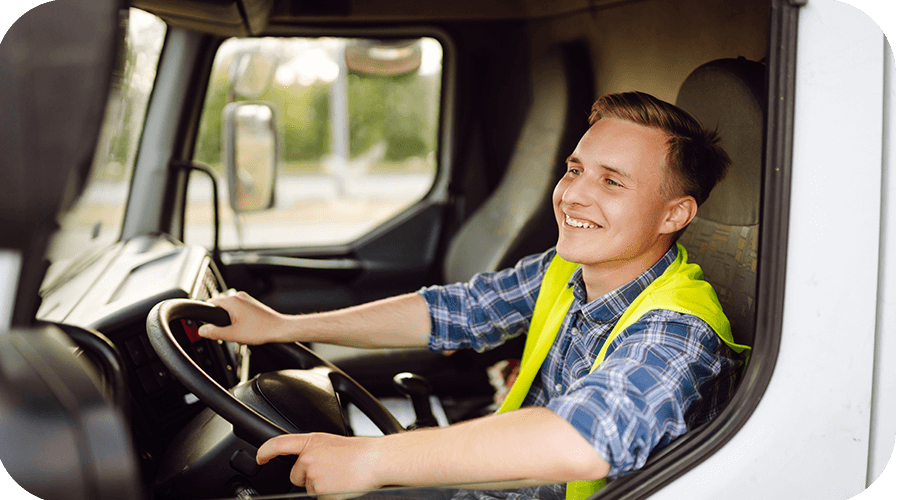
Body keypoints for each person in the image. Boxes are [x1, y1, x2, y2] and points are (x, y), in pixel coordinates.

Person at [199, 91, 748, 500]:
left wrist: (374, 459)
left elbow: (581, 442)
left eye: (612, 182)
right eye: (575, 169)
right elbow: (452, 312)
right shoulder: (567, 270)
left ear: (674, 214)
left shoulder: (678, 330)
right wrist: (282, 326)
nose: (573, 194)